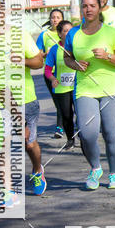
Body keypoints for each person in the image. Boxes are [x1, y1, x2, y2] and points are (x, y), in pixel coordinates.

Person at [0, 2, 46, 195]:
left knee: (28, 143)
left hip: (25, 98)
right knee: (2, 144)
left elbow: (39, 62)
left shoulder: (20, 34)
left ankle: (37, 170)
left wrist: (22, 61)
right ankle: (8, 189)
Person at [64, 0, 115, 190]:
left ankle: (114, 173)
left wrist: (107, 56)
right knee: (87, 133)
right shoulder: (73, 34)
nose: (88, 9)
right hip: (85, 89)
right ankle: (95, 168)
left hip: (112, 89)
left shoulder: (111, 33)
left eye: (92, 5)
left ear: (99, 8)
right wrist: (75, 64)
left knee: (111, 134)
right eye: (85, 6)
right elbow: (67, 58)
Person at [45, 20, 76, 150]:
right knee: (67, 116)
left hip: (78, 86)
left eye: (71, 30)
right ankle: (70, 139)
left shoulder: (77, 46)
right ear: (59, 34)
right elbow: (47, 70)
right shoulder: (54, 50)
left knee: (82, 114)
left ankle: (85, 138)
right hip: (62, 88)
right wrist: (52, 78)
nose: (69, 33)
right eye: (65, 31)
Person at [36, 9, 65, 139]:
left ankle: (66, 124)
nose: (55, 20)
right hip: (51, 73)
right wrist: (45, 54)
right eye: (53, 17)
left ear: (62, 19)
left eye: (58, 17)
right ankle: (60, 127)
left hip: (66, 72)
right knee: (58, 101)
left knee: (68, 101)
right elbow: (37, 55)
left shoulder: (67, 32)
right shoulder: (44, 35)